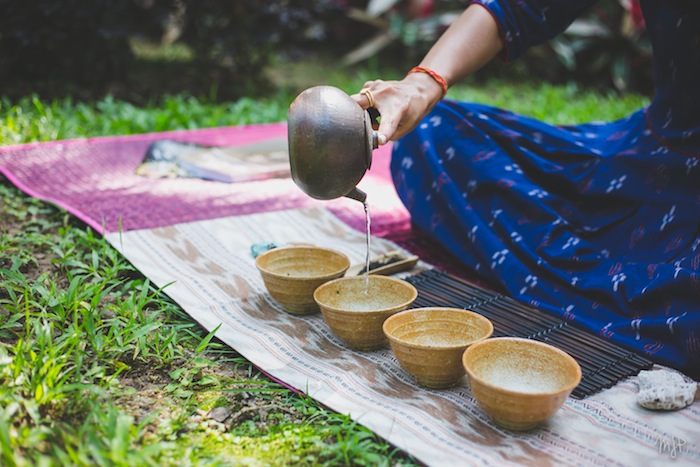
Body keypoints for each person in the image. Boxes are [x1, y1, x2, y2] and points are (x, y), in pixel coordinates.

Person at [351, 0, 700, 379]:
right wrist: (420, 85)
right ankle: (630, 296)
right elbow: (515, 8)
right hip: (647, 154)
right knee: (432, 135)